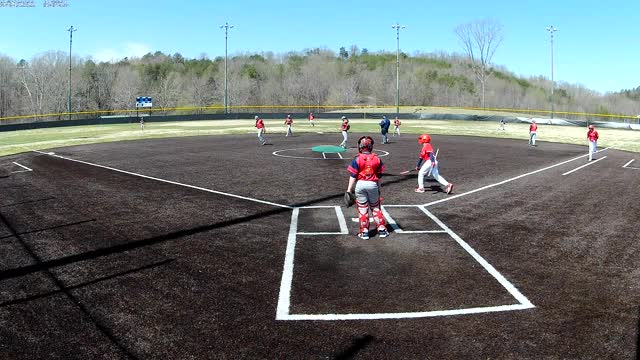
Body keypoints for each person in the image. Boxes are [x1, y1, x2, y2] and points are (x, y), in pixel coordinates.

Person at [346, 136, 388, 240]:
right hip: (373, 184)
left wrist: (349, 190)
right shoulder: (377, 159)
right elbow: (379, 177)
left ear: (360, 147)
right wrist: (379, 189)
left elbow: (353, 176)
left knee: (362, 209)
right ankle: (382, 230)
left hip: (360, 185)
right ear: (371, 147)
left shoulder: (357, 159)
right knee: (376, 208)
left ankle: (364, 232)